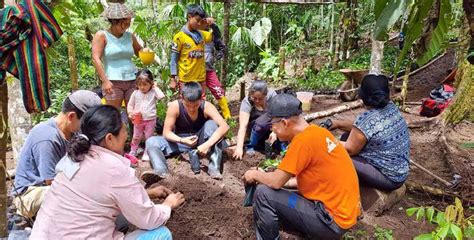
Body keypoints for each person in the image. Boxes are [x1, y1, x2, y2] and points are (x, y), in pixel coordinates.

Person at [31, 105, 185, 239]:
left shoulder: (73, 156)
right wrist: (167, 205)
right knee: (161, 234)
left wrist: (147, 193)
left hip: (43, 234)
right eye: (124, 129)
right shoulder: (114, 168)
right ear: (110, 138)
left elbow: (94, 194)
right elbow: (149, 219)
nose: (126, 134)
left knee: (122, 219)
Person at [242, 94, 360, 239]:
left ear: (285, 123)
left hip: (330, 222)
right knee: (276, 193)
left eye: (272, 125)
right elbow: (306, 180)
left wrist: (254, 175)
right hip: (343, 215)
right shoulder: (319, 132)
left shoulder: (302, 142)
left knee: (263, 194)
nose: (272, 130)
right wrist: (271, 179)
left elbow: (275, 181)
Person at [12, 90, 101, 219]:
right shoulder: (47, 137)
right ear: (71, 116)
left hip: (57, 183)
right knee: (72, 192)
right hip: (30, 194)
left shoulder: (72, 132)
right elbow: (52, 182)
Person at [329, 74, 410, 191]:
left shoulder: (367, 119)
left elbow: (349, 149)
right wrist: (338, 123)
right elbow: (364, 129)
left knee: (335, 153)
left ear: (363, 97)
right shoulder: (390, 107)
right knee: (346, 136)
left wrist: (325, 139)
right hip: (398, 170)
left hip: (389, 178)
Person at [142, 82, 229, 183]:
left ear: (201, 99)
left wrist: (207, 145)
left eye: (196, 105)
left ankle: (214, 168)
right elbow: (166, 133)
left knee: (212, 124)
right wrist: (182, 140)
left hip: (202, 140)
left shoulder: (207, 106)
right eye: (188, 105)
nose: (191, 108)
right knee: (151, 141)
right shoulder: (175, 106)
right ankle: (161, 171)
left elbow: (224, 126)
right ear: (181, 98)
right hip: (181, 142)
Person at [92, 2, 143, 110]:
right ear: (114, 22)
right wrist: (105, 81)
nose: (126, 27)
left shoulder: (130, 36)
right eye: (124, 24)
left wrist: (146, 53)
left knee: (134, 113)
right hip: (112, 82)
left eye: (129, 24)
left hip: (132, 80)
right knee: (112, 114)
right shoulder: (102, 35)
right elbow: (96, 58)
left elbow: (140, 52)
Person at [169, 4, 218, 98]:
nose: (199, 24)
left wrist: (213, 25)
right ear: (189, 17)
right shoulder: (179, 37)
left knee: (201, 106)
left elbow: (216, 38)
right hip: (186, 81)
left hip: (200, 80)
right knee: (186, 106)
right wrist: (173, 79)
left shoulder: (203, 35)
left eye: (201, 21)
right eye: (197, 20)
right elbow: (173, 60)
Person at [233, 80, 277, 160]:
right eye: (254, 98)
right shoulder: (247, 102)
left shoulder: (272, 96)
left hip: (271, 126)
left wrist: (275, 132)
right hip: (255, 129)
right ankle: (251, 145)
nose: (257, 101)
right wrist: (239, 148)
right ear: (250, 95)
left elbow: (279, 115)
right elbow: (243, 126)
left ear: (266, 96)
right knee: (262, 122)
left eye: (260, 99)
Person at [127, 69, 165, 156]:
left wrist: (155, 87)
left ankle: (147, 152)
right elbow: (130, 105)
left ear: (150, 83)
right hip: (138, 119)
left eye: (145, 84)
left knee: (149, 137)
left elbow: (161, 96)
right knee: (136, 136)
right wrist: (130, 112)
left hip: (150, 120)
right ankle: (133, 150)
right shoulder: (135, 93)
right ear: (137, 84)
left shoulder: (153, 92)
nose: (142, 87)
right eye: (140, 84)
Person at [203, 18, 231, 119]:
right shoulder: (192, 35)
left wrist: (213, 25)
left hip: (209, 70)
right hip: (195, 72)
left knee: (218, 91)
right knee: (199, 95)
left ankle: (227, 117)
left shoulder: (211, 36)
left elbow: (220, 42)